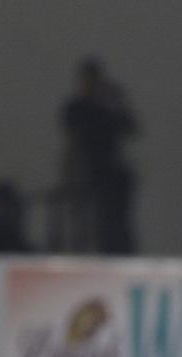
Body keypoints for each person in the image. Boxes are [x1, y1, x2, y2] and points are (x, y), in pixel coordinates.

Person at [57, 57, 138, 254]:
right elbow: (73, 128)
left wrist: (112, 103)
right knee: (83, 225)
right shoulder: (77, 108)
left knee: (111, 224)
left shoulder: (107, 107)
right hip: (84, 173)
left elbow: (130, 126)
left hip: (108, 175)